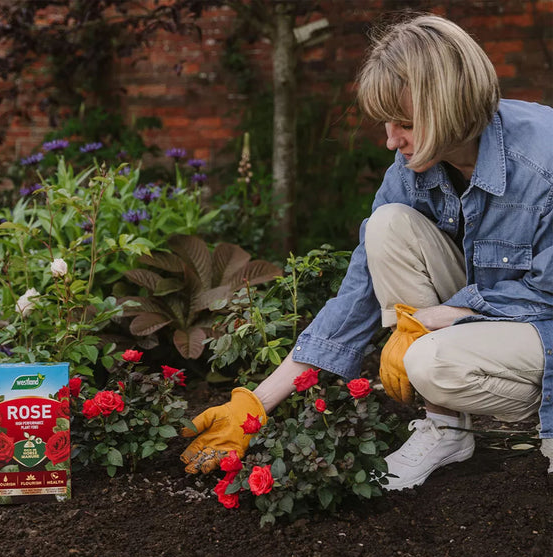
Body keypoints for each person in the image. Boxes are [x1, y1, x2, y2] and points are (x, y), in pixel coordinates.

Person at [180, 13, 553, 489]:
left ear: (453, 111)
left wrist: (437, 318)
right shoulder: (411, 167)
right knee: (387, 227)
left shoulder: (544, 164)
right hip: (502, 324)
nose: (390, 140)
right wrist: (254, 403)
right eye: (386, 123)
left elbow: (544, 297)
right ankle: (446, 430)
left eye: (406, 124)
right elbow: (358, 292)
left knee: (429, 360)